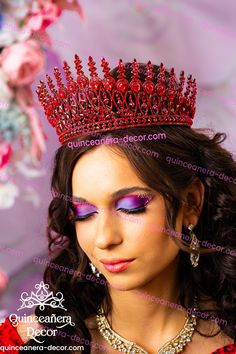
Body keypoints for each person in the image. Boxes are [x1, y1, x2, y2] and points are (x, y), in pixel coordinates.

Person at [0, 56, 236, 354]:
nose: (104, 239)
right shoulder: (21, 344)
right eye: (84, 213)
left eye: (131, 206)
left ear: (190, 202)